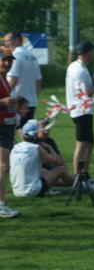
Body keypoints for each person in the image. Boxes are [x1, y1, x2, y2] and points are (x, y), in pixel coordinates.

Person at [9, 119, 74, 197]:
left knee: (43, 171)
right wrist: (50, 148)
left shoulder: (15, 148)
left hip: (17, 192)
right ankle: (78, 186)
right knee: (61, 170)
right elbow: (57, 162)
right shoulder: (36, 148)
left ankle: (67, 184)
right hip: (32, 191)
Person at [65, 41, 94, 177]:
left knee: (89, 144)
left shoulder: (74, 66)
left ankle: (85, 173)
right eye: (92, 51)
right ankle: (77, 175)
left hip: (80, 109)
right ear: (87, 53)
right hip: (81, 110)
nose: (93, 54)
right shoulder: (80, 71)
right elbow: (84, 93)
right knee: (82, 144)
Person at [5, 31, 41, 126]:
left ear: (17, 40)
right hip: (31, 102)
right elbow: (38, 81)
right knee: (26, 131)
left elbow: (13, 79)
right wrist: (35, 98)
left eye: (8, 41)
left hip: (16, 102)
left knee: (11, 130)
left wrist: (4, 96)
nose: (6, 44)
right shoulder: (32, 56)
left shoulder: (15, 55)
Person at [0, 51, 19, 219]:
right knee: (3, 166)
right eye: (4, 60)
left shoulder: (4, 78)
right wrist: (3, 102)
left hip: (6, 126)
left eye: (10, 61)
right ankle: (1, 205)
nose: (7, 64)